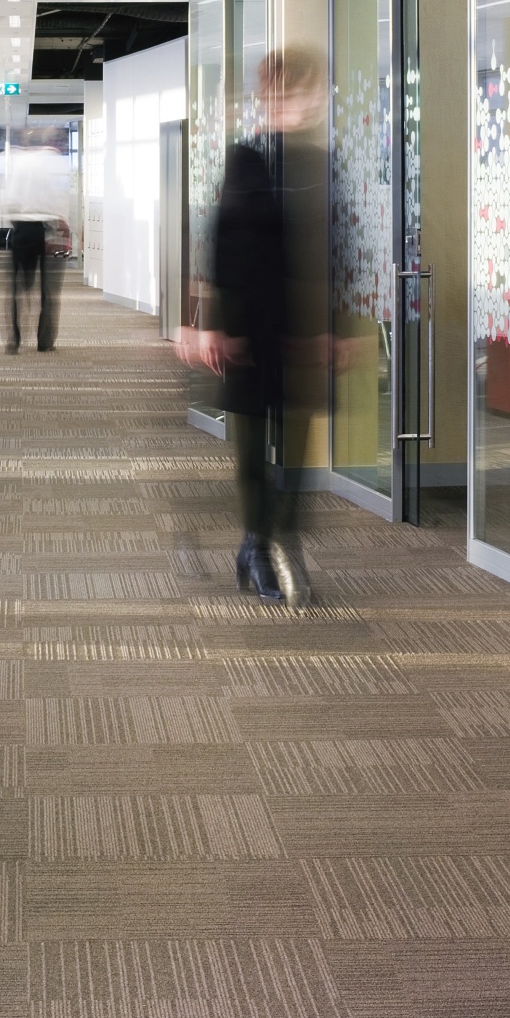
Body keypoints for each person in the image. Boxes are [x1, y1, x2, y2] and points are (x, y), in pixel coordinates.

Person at [179, 51, 320, 605]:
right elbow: (225, 244)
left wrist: (341, 327)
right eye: (283, 93)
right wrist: (214, 325)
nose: (295, 103)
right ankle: (258, 545)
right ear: (269, 98)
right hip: (252, 327)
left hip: (302, 329)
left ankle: (278, 535)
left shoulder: (319, 160)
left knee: (300, 448)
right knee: (255, 449)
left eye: (304, 92)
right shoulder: (247, 158)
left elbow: (336, 248)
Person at [0, 132, 71, 353]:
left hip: (23, 229)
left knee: (15, 289)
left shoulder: (19, 164)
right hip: (47, 229)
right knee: (49, 291)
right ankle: (45, 342)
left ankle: (13, 340)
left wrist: (19, 224)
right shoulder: (54, 165)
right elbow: (59, 200)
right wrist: (63, 228)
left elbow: (11, 201)